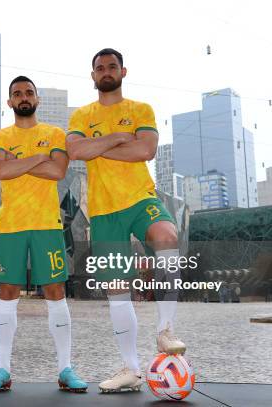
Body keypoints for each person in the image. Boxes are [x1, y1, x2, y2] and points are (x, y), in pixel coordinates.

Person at [66, 48, 186, 393]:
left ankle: (166, 331)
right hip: (103, 210)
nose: (106, 71)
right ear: (93, 76)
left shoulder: (140, 109)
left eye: (112, 66)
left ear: (123, 71)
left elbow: (145, 150)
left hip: (139, 198)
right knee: (117, 290)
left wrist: (98, 145)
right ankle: (131, 370)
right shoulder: (81, 116)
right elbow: (76, 151)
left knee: (166, 234)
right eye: (100, 67)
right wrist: (120, 137)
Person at [0, 76, 87, 393]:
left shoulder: (54, 133)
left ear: (37, 99)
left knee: (56, 292)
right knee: (7, 294)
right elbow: (1, 171)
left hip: (46, 224)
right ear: (10, 102)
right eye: (17, 93)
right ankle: (2, 370)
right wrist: (40, 158)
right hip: (12, 225)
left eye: (29, 92)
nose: (23, 96)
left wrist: (20, 163)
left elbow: (57, 171)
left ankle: (65, 369)